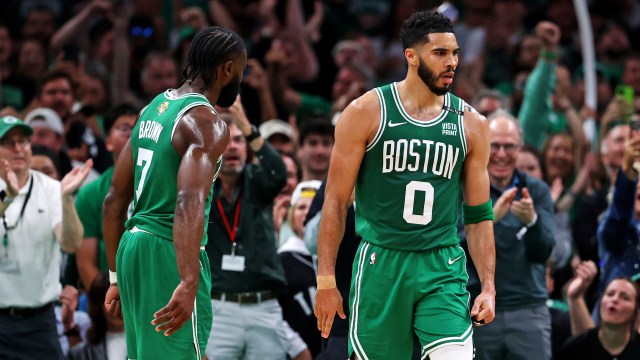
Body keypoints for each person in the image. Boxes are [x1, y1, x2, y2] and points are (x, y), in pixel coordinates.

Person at [314, 11, 496, 360]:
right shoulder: (366, 111)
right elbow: (335, 202)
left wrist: (488, 286)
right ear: (410, 56)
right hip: (382, 262)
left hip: (442, 263)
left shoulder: (472, 124)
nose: (452, 62)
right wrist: (326, 280)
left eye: (455, 52)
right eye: (440, 53)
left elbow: (478, 214)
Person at [102, 26, 244, 359]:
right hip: (168, 250)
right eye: (241, 71)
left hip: (132, 246)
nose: (240, 79)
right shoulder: (206, 122)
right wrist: (189, 278)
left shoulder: (152, 107)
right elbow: (187, 202)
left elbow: (113, 199)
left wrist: (114, 275)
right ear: (226, 69)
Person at [204, 97, 310, 360]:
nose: (232, 147)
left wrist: (247, 126)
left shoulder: (258, 181)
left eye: (239, 140)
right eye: (225, 140)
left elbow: (279, 173)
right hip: (218, 306)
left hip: (264, 307)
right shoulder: (202, 186)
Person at [463, 111, 555, 360]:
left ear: (520, 148)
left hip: (528, 308)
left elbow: (544, 252)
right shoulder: (462, 188)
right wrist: (490, 219)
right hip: (477, 306)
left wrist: (532, 222)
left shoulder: (537, 191)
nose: (502, 154)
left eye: (509, 146)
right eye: (495, 146)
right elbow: (455, 249)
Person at [0, 116, 92, 359]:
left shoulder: (51, 188)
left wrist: (66, 200)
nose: (19, 149)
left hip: (39, 322)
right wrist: (7, 198)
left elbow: (70, 243)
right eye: (9, 143)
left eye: (24, 141)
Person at [75, 104, 139, 292]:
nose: (132, 134)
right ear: (108, 141)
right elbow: (86, 266)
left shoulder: (164, 185)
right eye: (125, 129)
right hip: (109, 298)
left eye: (139, 128)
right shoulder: (90, 194)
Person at [559, 275, 640, 359]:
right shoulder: (573, 348)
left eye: (625, 297)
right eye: (610, 294)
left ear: (636, 312)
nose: (614, 299)